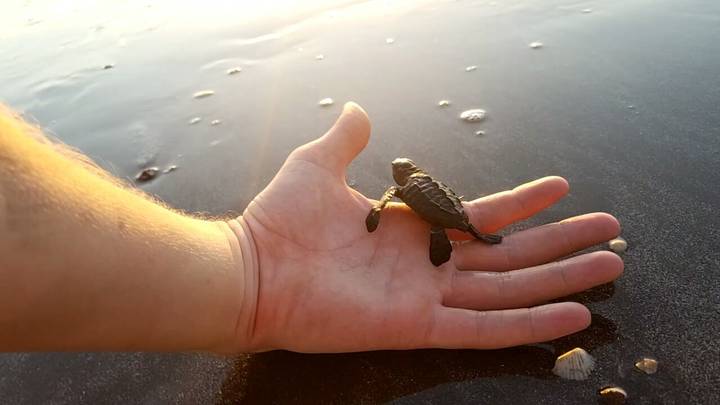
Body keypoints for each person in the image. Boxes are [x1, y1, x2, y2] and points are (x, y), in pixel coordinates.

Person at [0, 102, 622, 353]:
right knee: (453, 226)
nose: (397, 173)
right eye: (401, 172)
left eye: (398, 172)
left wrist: (379, 215)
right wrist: (250, 274)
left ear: (400, 176)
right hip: (440, 216)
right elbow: (417, 201)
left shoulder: (402, 189)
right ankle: (473, 237)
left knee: (449, 226)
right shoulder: (410, 188)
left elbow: (393, 202)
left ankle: (470, 236)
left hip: (436, 216)